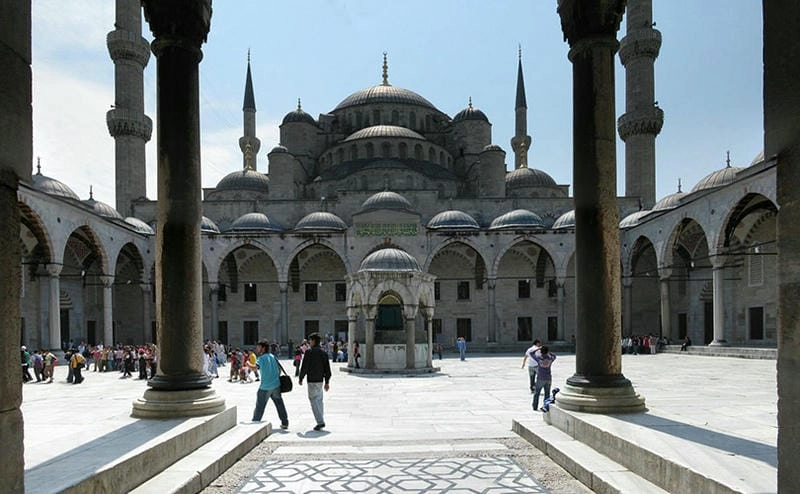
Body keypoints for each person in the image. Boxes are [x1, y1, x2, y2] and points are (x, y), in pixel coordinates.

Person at [249, 339, 289, 429]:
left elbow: (254, 368)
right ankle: (285, 422)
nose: (257, 348)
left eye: (258, 347)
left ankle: (255, 422)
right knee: (279, 404)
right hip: (276, 385)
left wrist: (248, 363)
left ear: (263, 348)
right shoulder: (272, 356)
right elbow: (279, 370)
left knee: (260, 406)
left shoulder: (261, 358)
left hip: (265, 387)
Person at [298, 332, 331, 431]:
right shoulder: (323, 353)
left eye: (310, 340)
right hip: (320, 380)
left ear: (313, 341)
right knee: (319, 400)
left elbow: (305, 366)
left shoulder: (309, 352)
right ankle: (321, 419)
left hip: (312, 380)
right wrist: (327, 382)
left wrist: (301, 378)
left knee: (313, 400)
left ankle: (320, 422)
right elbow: (327, 369)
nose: (309, 342)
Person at [532, 346, 557, 411]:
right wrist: (549, 352)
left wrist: (538, 348)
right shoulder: (550, 358)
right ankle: (545, 406)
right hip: (548, 378)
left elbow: (531, 353)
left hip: (540, 378)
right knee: (547, 394)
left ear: (541, 351)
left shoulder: (539, 358)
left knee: (537, 393)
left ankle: (535, 406)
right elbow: (554, 356)